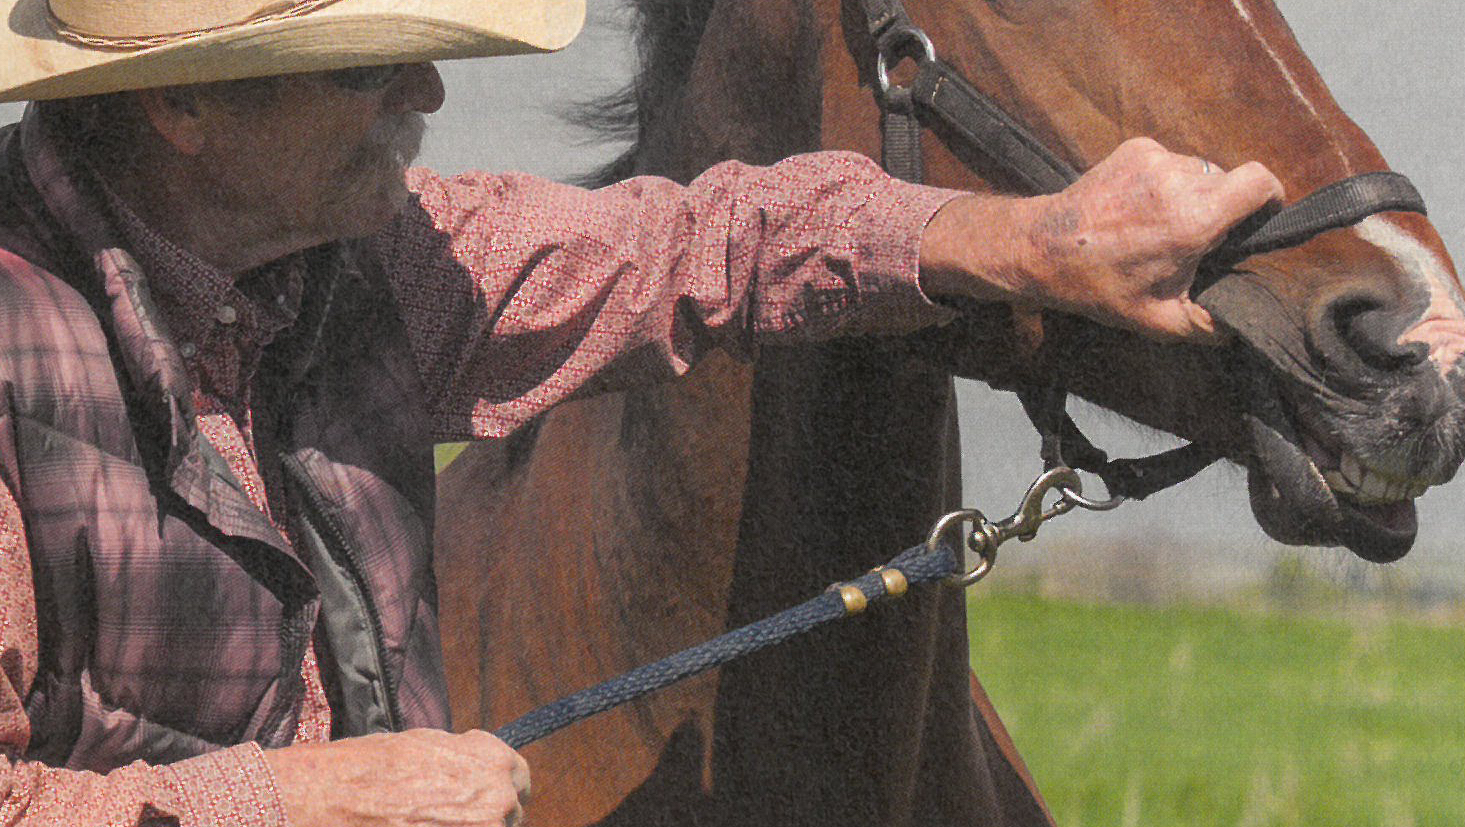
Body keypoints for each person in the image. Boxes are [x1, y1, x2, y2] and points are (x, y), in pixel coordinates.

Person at [0, 0, 1284, 824]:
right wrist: (290, 802)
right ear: (179, 108)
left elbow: (709, 243)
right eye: (369, 71)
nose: (429, 100)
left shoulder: (375, 263)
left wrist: (1031, 241)